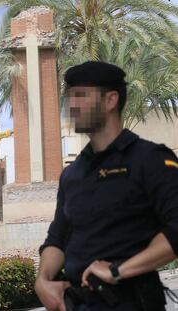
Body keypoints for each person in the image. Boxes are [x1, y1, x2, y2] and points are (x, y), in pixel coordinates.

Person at [35, 61, 178, 311]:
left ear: (111, 100)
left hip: (132, 302)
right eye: (70, 98)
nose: (73, 105)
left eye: (81, 96)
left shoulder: (150, 159)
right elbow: (57, 239)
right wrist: (42, 281)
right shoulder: (72, 174)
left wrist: (117, 271)